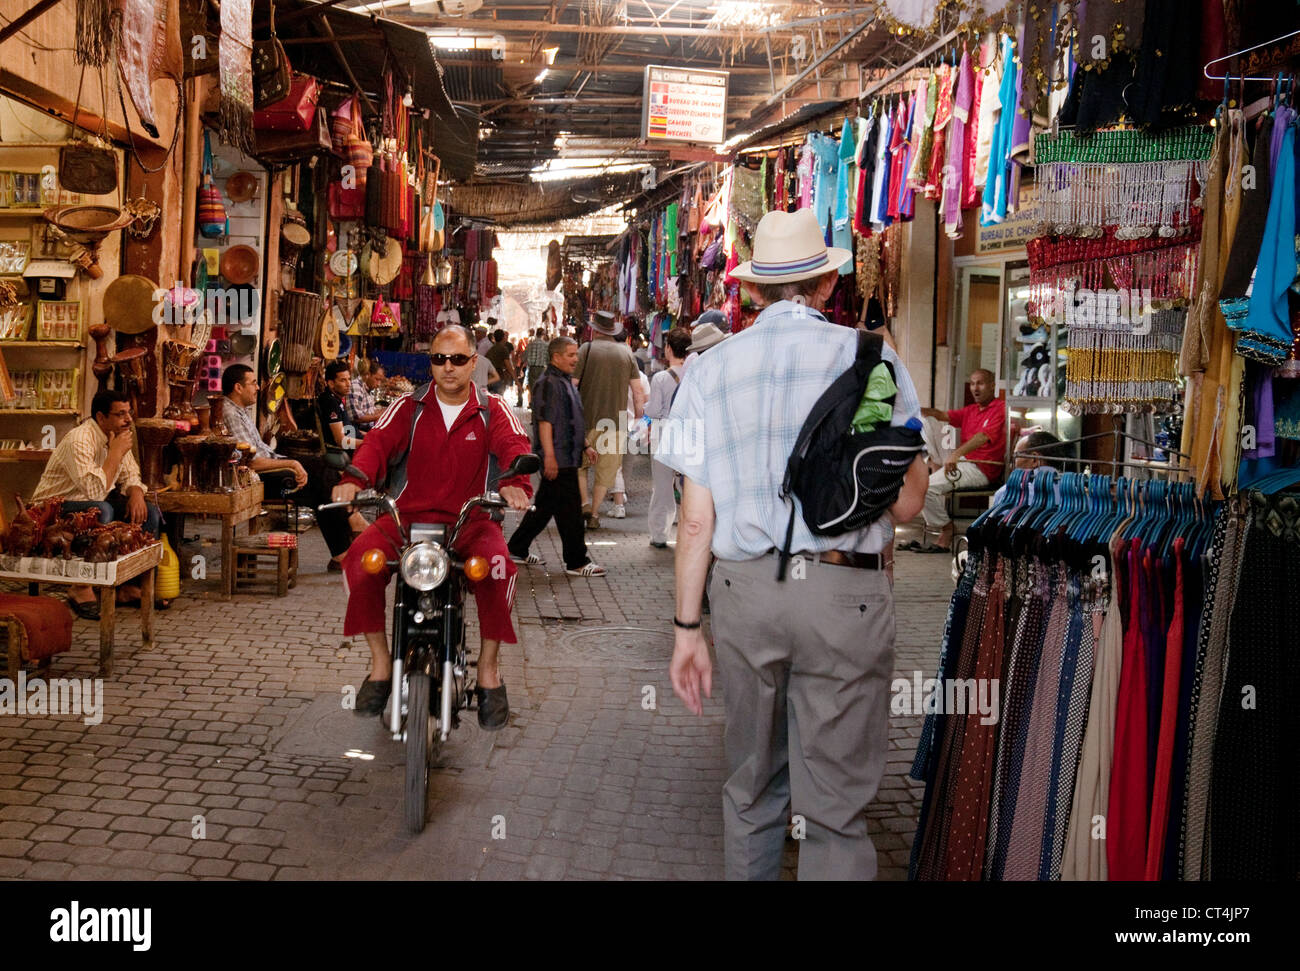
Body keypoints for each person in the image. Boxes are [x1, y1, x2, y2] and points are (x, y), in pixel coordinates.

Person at [659, 207, 928, 881]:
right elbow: (910, 503)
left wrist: (686, 628)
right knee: (835, 809)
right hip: (846, 596)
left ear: (750, 291)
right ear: (828, 285)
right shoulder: (873, 359)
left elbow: (696, 520)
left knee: (751, 784)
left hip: (747, 593)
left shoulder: (710, 370)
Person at [330, 325, 534, 730]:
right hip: (404, 521)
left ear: (473, 363)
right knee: (358, 561)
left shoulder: (492, 408)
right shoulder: (408, 406)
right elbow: (376, 444)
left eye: (458, 359)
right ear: (432, 363)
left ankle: (489, 670)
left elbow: (514, 447)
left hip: (470, 522)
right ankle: (381, 664)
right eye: (439, 359)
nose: (448, 368)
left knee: (499, 568)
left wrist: (514, 485)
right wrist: (353, 478)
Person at [32, 389, 164, 620]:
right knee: (102, 510)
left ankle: (126, 586)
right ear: (101, 417)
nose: (128, 419)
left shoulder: (118, 435)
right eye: (120, 414)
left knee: (148, 513)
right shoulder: (80, 439)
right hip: (52, 509)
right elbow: (92, 491)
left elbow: (131, 475)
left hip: (91, 504)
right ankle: (81, 587)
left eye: (129, 413)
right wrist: (114, 454)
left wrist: (135, 493)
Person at [221, 364, 353, 572]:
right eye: (253, 383)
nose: (257, 388)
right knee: (320, 484)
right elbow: (250, 461)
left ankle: (344, 546)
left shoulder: (241, 411)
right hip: (257, 477)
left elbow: (262, 450)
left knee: (324, 471)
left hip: (268, 466)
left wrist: (291, 461)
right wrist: (291, 463)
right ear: (238, 387)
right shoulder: (229, 412)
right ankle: (343, 550)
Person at [507, 337, 606, 577]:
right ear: (556, 357)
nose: (576, 358)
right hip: (559, 457)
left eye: (576, 354)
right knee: (570, 511)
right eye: (571, 355)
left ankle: (516, 548)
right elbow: (545, 422)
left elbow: (570, 418)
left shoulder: (564, 381)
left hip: (568, 454)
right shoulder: (548, 382)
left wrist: (585, 446)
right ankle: (577, 561)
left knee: (544, 508)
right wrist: (549, 457)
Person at [905, 368, 1007, 553]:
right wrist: (913, 409)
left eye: (981, 383)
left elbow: (982, 437)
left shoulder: (1000, 409)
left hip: (982, 469)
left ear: (992, 386)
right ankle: (932, 463)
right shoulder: (971, 410)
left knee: (924, 488)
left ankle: (947, 528)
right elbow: (941, 415)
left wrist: (955, 455)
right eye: (973, 383)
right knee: (927, 422)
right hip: (962, 463)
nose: (976, 388)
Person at [575, 310, 645, 530]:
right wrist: (640, 415)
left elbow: (573, 383)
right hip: (615, 423)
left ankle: (584, 503)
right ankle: (595, 513)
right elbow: (637, 391)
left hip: (585, 419)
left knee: (580, 466)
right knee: (607, 471)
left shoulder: (586, 349)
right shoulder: (626, 353)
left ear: (595, 329)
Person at [645, 326, 691, 548]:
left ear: (669, 349)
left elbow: (653, 411)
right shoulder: (695, 373)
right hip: (689, 433)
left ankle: (659, 535)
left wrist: (644, 410)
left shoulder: (661, 378)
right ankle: (690, 532)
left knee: (662, 487)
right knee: (688, 486)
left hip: (663, 433)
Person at [345, 360, 386, 438]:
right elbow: (356, 417)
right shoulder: (356, 386)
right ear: (368, 374)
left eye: (381, 380)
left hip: (367, 429)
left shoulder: (367, 389)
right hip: (356, 432)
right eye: (377, 379)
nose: (379, 384)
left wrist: (386, 411)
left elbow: (369, 411)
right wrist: (379, 416)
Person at [523, 325, 551, 405]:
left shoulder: (530, 344)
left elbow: (524, 356)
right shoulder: (546, 345)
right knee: (541, 387)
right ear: (543, 334)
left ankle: (533, 403)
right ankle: (539, 403)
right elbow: (548, 358)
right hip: (542, 368)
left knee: (532, 387)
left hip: (532, 368)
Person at [484, 328, 515, 395]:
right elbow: (509, 367)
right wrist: (517, 381)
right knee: (498, 399)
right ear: (503, 337)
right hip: (498, 377)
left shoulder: (492, 348)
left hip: (489, 377)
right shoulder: (503, 349)